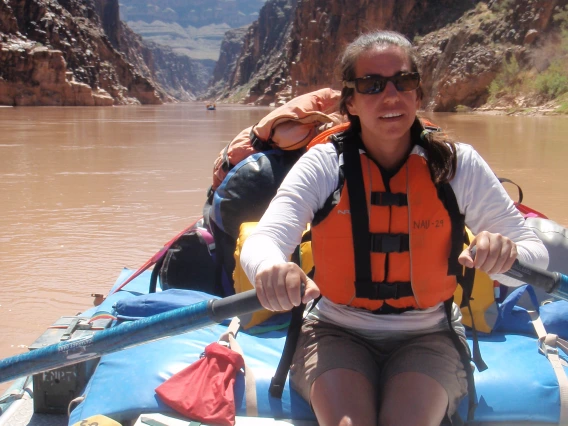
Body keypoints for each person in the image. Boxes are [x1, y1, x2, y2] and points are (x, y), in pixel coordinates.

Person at [240, 30, 549, 426]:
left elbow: (532, 252)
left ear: (418, 95)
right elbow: (266, 239)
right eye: (371, 85)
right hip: (335, 331)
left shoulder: (458, 165)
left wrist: (508, 257)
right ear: (349, 101)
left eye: (404, 82)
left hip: (429, 337)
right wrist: (268, 268)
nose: (391, 97)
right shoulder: (323, 165)